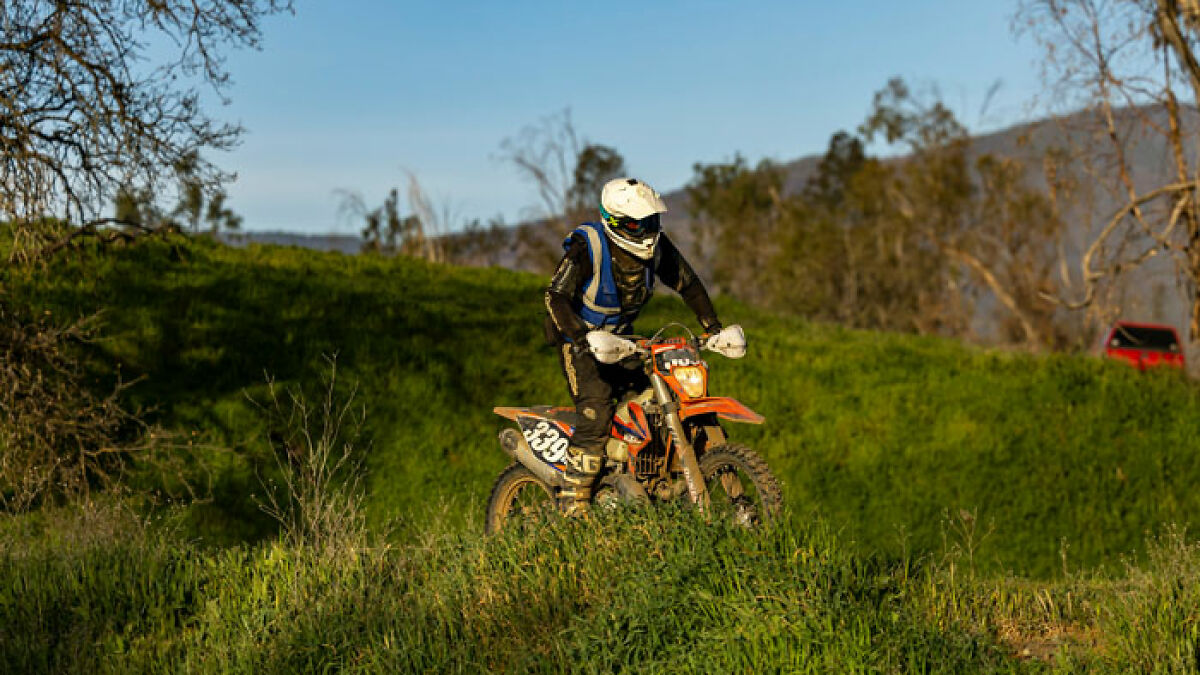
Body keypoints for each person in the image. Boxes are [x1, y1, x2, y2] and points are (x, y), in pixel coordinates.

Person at [543, 177, 725, 513]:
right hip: (579, 343)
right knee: (596, 410)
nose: (645, 230)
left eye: (650, 222)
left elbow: (690, 285)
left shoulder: (657, 248)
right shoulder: (589, 246)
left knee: (662, 397)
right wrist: (582, 339)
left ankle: (641, 472)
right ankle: (573, 503)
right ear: (613, 221)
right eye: (635, 224)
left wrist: (712, 327)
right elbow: (555, 296)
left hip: (623, 341)